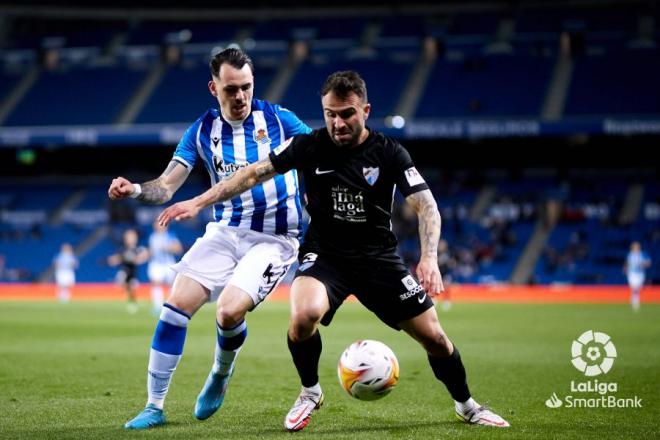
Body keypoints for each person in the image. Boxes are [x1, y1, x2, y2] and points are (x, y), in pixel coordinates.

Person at [158, 71, 510, 430]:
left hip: (378, 259)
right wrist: (198, 202)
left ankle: (467, 405)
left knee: (435, 337)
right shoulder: (309, 145)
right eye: (330, 114)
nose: (338, 123)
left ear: (366, 111)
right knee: (303, 316)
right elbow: (251, 174)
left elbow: (427, 206)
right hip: (326, 255)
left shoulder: (389, 153)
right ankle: (310, 392)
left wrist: (430, 257)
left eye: (347, 114)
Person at [108, 47, 311, 429]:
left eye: (246, 87)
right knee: (174, 307)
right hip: (225, 231)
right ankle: (154, 406)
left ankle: (220, 372)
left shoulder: (280, 119)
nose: (240, 97)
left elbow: (319, 154)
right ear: (213, 87)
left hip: (275, 238)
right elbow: (166, 186)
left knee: (228, 311)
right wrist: (134, 189)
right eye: (231, 89)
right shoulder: (202, 130)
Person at [107, 228, 149, 314]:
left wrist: (135, 258)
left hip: (133, 273)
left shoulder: (138, 249)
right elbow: (117, 258)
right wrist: (114, 260)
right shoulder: (123, 249)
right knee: (124, 282)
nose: (130, 239)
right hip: (125, 271)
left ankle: (132, 301)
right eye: (128, 237)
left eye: (132, 237)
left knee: (132, 286)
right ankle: (127, 300)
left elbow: (142, 257)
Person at [147, 220, 183, 315]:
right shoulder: (152, 237)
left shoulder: (170, 235)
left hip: (168, 264)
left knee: (172, 285)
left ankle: (173, 306)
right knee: (156, 284)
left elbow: (178, 249)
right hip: (156, 264)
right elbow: (151, 251)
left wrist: (168, 248)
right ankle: (157, 307)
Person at [624, 241, 651, 312]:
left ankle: (634, 301)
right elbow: (627, 263)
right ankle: (635, 303)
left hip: (640, 274)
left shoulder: (643, 254)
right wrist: (625, 268)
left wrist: (642, 264)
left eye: (637, 246)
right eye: (634, 247)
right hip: (632, 273)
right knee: (634, 288)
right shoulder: (630, 255)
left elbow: (648, 263)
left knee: (637, 289)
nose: (635, 248)